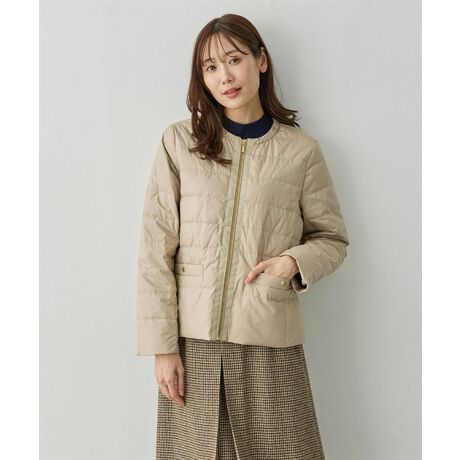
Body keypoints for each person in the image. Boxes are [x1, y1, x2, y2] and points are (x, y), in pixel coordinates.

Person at [136, 13, 349, 460]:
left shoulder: (301, 151)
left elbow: (331, 238)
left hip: (269, 338)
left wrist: (293, 263)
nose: (225, 77)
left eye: (234, 60)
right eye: (211, 67)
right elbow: (156, 250)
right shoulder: (179, 143)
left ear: (261, 60)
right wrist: (162, 349)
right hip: (193, 346)